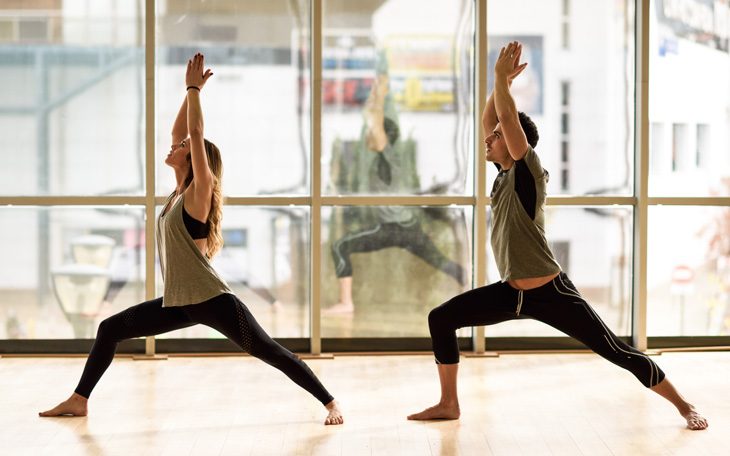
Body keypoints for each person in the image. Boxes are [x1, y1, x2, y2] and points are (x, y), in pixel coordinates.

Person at [407, 41, 708, 431]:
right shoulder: (502, 175)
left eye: (496, 137)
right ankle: (449, 403)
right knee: (441, 318)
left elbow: (509, 127)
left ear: (517, 146)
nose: (488, 139)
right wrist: (500, 85)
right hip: (510, 292)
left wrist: (502, 85)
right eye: (492, 136)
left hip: (550, 292)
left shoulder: (528, 173)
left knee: (617, 351)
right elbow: (491, 120)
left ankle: (684, 406)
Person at [39, 53, 343, 426]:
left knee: (269, 350)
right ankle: (79, 399)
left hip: (213, 300)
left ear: (195, 160)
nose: (174, 147)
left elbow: (195, 135)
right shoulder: (177, 194)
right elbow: (181, 133)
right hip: (179, 302)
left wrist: (194, 89)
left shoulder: (200, 192)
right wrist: (190, 94)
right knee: (109, 329)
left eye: (181, 149)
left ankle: (330, 402)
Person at [326, 72, 466, 314]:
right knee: (443, 263)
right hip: (409, 228)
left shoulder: (388, 155)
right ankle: (470, 294)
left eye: (373, 133)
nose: (369, 136)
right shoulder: (389, 158)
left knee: (340, 246)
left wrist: (379, 96)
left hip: (393, 230)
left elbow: (376, 127)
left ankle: (346, 303)